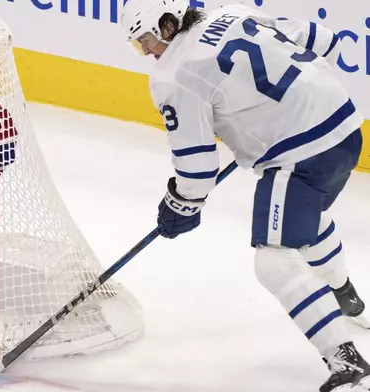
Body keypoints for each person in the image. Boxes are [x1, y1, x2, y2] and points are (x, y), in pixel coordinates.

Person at [121, 0, 369, 390]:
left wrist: (181, 205)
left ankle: (345, 360)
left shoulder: (173, 75)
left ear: (168, 25)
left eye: (148, 40)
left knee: (273, 259)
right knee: (304, 217)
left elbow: (198, 168)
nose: (148, 52)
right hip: (346, 127)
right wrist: (280, 109)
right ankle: (345, 295)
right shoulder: (231, 12)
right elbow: (324, 41)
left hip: (302, 154)